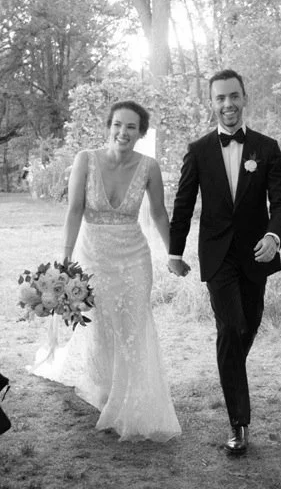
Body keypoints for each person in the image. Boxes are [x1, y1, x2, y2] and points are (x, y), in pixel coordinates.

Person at [30, 100, 181, 442]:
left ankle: (132, 395)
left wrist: (173, 254)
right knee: (100, 322)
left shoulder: (149, 167)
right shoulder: (85, 159)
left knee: (134, 322)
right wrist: (65, 259)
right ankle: (105, 388)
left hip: (134, 256)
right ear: (108, 126)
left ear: (141, 133)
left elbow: (159, 213)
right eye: (117, 124)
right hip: (93, 254)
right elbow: (74, 210)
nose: (122, 132)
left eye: (131, 127)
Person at [168, 69, 281, 455]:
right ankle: (238, 424)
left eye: (234, 96)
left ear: (244, 98)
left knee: (247, 325)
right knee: (231, 327)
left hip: (256, 255)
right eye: (220, 98)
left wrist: (273, 237)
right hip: (217, 256)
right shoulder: (198, 150)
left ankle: (230, 369)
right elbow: (184, 204)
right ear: (212, 103)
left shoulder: (266, 148)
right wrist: (175, 252)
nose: (228, 104)